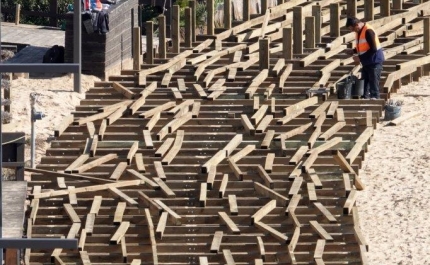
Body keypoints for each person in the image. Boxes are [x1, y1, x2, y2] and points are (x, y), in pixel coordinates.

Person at [345, 17, 385, 99]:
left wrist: (360, 57)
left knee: (373, 83)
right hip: (367, 61)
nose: (352, 31)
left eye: (352, 29)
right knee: (365, 82)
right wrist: (354, 51)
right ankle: (365, 98)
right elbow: (363, 46)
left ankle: (375, 99)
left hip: (374, 61)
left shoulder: (368, 31)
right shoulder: (359, 31)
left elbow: (373, 49)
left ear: (356, 25)